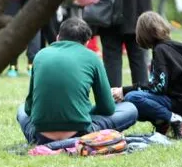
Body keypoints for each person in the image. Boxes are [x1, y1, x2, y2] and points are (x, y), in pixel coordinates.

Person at [16, 17, 138, 146]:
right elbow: (107, 108)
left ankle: (44, 141)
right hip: (81, 133)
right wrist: (86, 110)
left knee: (21, 109)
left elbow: (29, 108)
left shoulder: (40, 55)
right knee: (130, 109)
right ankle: (78, 139)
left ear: (58, 37)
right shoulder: (91, 57)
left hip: (40, 135)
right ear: (86, 43)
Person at [116, 12, 182, 139]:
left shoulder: (161, 50)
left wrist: (124, 90)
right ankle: (164, 125)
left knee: (132, 97)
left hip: (178, 103)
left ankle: (175, 119)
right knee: (132, 99)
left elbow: (157, 87)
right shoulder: (169, 48)